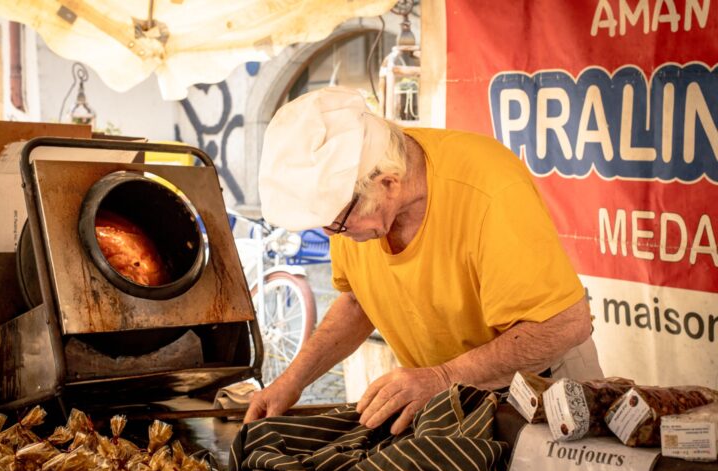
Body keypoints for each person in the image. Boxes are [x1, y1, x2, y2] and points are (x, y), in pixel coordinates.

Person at [245, 86, 603, 434]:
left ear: (389, 183)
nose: (330, 235)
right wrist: (291, 382)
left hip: (546, 384)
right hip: (455, 388)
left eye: (337, 222)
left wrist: (442, 377)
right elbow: (358, 302)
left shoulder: (489, 188)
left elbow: (564, 326)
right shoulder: (353, 201)